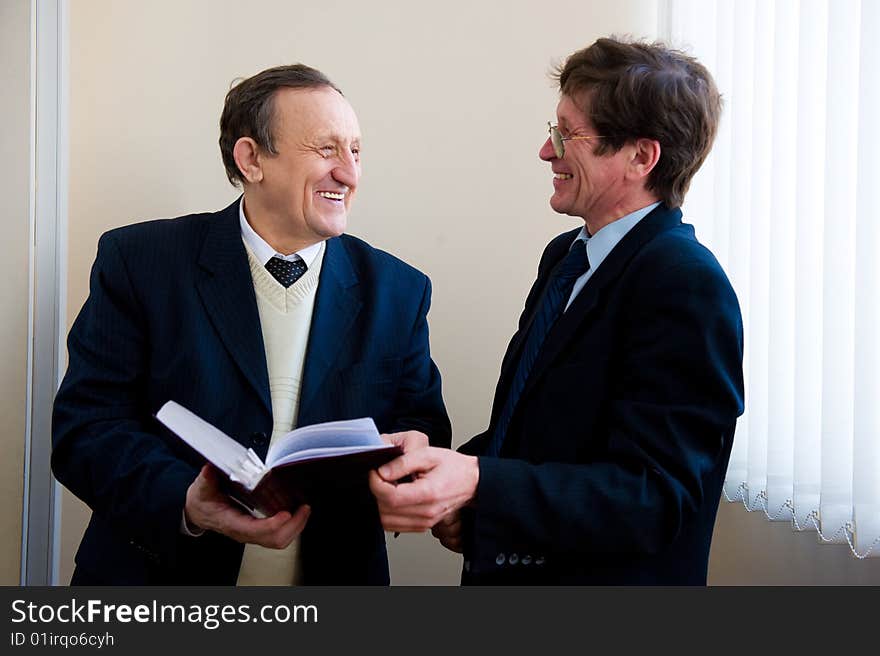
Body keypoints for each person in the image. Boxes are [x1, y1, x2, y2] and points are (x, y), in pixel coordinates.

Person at [52, 64, 451, 585]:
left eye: (355, 151)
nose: (350, 174)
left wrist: (413, 461)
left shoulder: (399, 290)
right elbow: (86, 429)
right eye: (326, 150)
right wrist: (188, 502)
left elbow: (423, 428)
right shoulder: (139, 262)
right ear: (251, 159)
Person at [370, 37, 744, 584]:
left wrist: (478, 483)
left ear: (642, 157)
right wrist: (439, 472)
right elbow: (535, 429)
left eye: (568, 135)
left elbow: (654, 497)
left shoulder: (687, 284)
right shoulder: (565, 258)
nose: (547, 152)